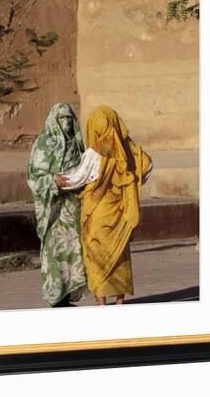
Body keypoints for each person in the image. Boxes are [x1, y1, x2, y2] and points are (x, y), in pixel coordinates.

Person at [56, 105, 152, 305]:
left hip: (98, 213)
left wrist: (57, 180)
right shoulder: (130, 148)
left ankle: (101, 301)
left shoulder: (95, 152)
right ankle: (119, 300)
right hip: (121, 212)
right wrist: (133, 184)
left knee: (97, 255)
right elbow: (148, 166)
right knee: (119, 255)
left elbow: (78, 178)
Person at [27, 103, 87, 307]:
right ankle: (56, 298)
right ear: (54, 120)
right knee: (54, 252)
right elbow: (33, 178)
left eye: (70, 119)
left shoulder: (76, 144)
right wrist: (53, 181)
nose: (67, 123)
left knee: (73, 251)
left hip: (72, 208)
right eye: (62, 119)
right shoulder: (43, 144)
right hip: (52, 211)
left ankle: (67, 296)